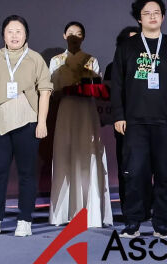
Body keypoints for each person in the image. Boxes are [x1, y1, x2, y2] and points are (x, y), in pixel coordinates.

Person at [109, 0, 167, 240]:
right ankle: (132, 223)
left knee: (165, 175)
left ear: (163, 17)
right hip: (134, 123)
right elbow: (117, 85)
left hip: (166, 123)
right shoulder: (127, 48)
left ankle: (161, 224)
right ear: (139, 18)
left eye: (156, 12)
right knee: (134, 174)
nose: (152, 16)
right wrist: (119, 115)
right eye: (147, 13)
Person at [0, 15, 52, 237]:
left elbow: (45, 92)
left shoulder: (35, 59)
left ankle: (25, 219)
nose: (14, 36)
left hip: (27, 123)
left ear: (26, 34)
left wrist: (42, 122)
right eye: (10, 31)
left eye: (18, 31)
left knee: (27, 174)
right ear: (3, 35)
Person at [48, 21, 113, 228]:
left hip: (86, 112)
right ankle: (63, 213)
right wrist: (66, 90)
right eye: (70, 33)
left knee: (88, 156)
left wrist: (82, 88)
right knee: (65, 156)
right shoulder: (56, 61)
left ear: (83, 37)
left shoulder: (91, 60)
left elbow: (98, 89)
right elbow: (51, 92)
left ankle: (89, 212)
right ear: (64, 36)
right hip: (66, 111)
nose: (74, 37)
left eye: (78, 34)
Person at [108, 26, 151, 222]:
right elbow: (109, 96)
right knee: (127, 167)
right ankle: (129, 209)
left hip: (148, 122)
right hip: (125, 123)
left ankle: (147, 207)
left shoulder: (150, 64)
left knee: (147, 167)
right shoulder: (113, 67)